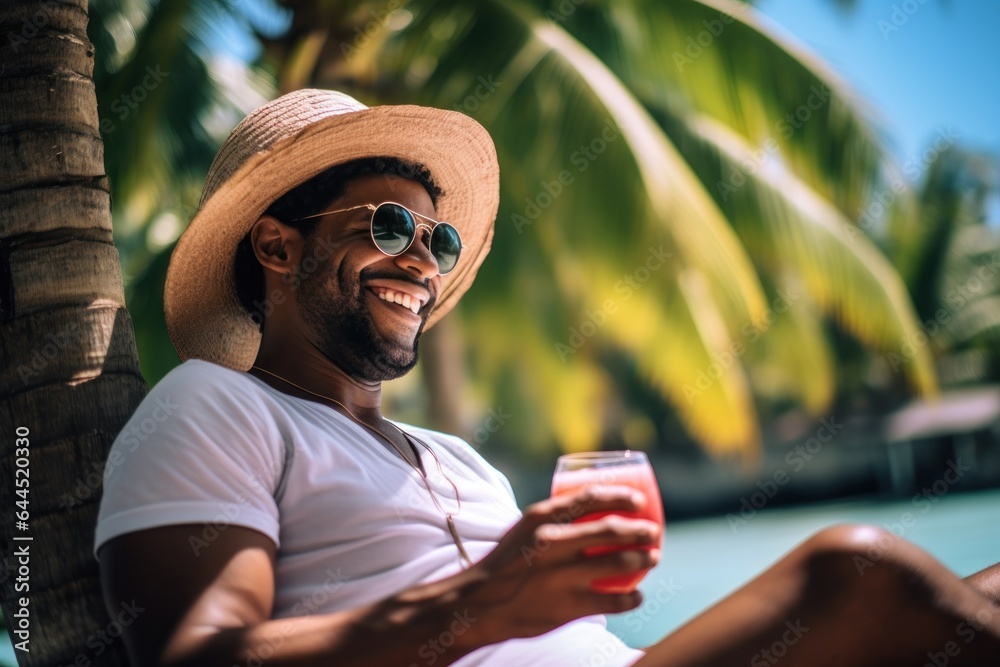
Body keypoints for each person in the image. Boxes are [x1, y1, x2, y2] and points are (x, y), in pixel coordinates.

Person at [95, 89, 1000, 667]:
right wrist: (480, 602)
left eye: (437, 238)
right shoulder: (214, 404)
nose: (422, 261)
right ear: (277, 244)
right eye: (386, 225)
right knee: (860, 570)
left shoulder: (453, 456)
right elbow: (199, 656)